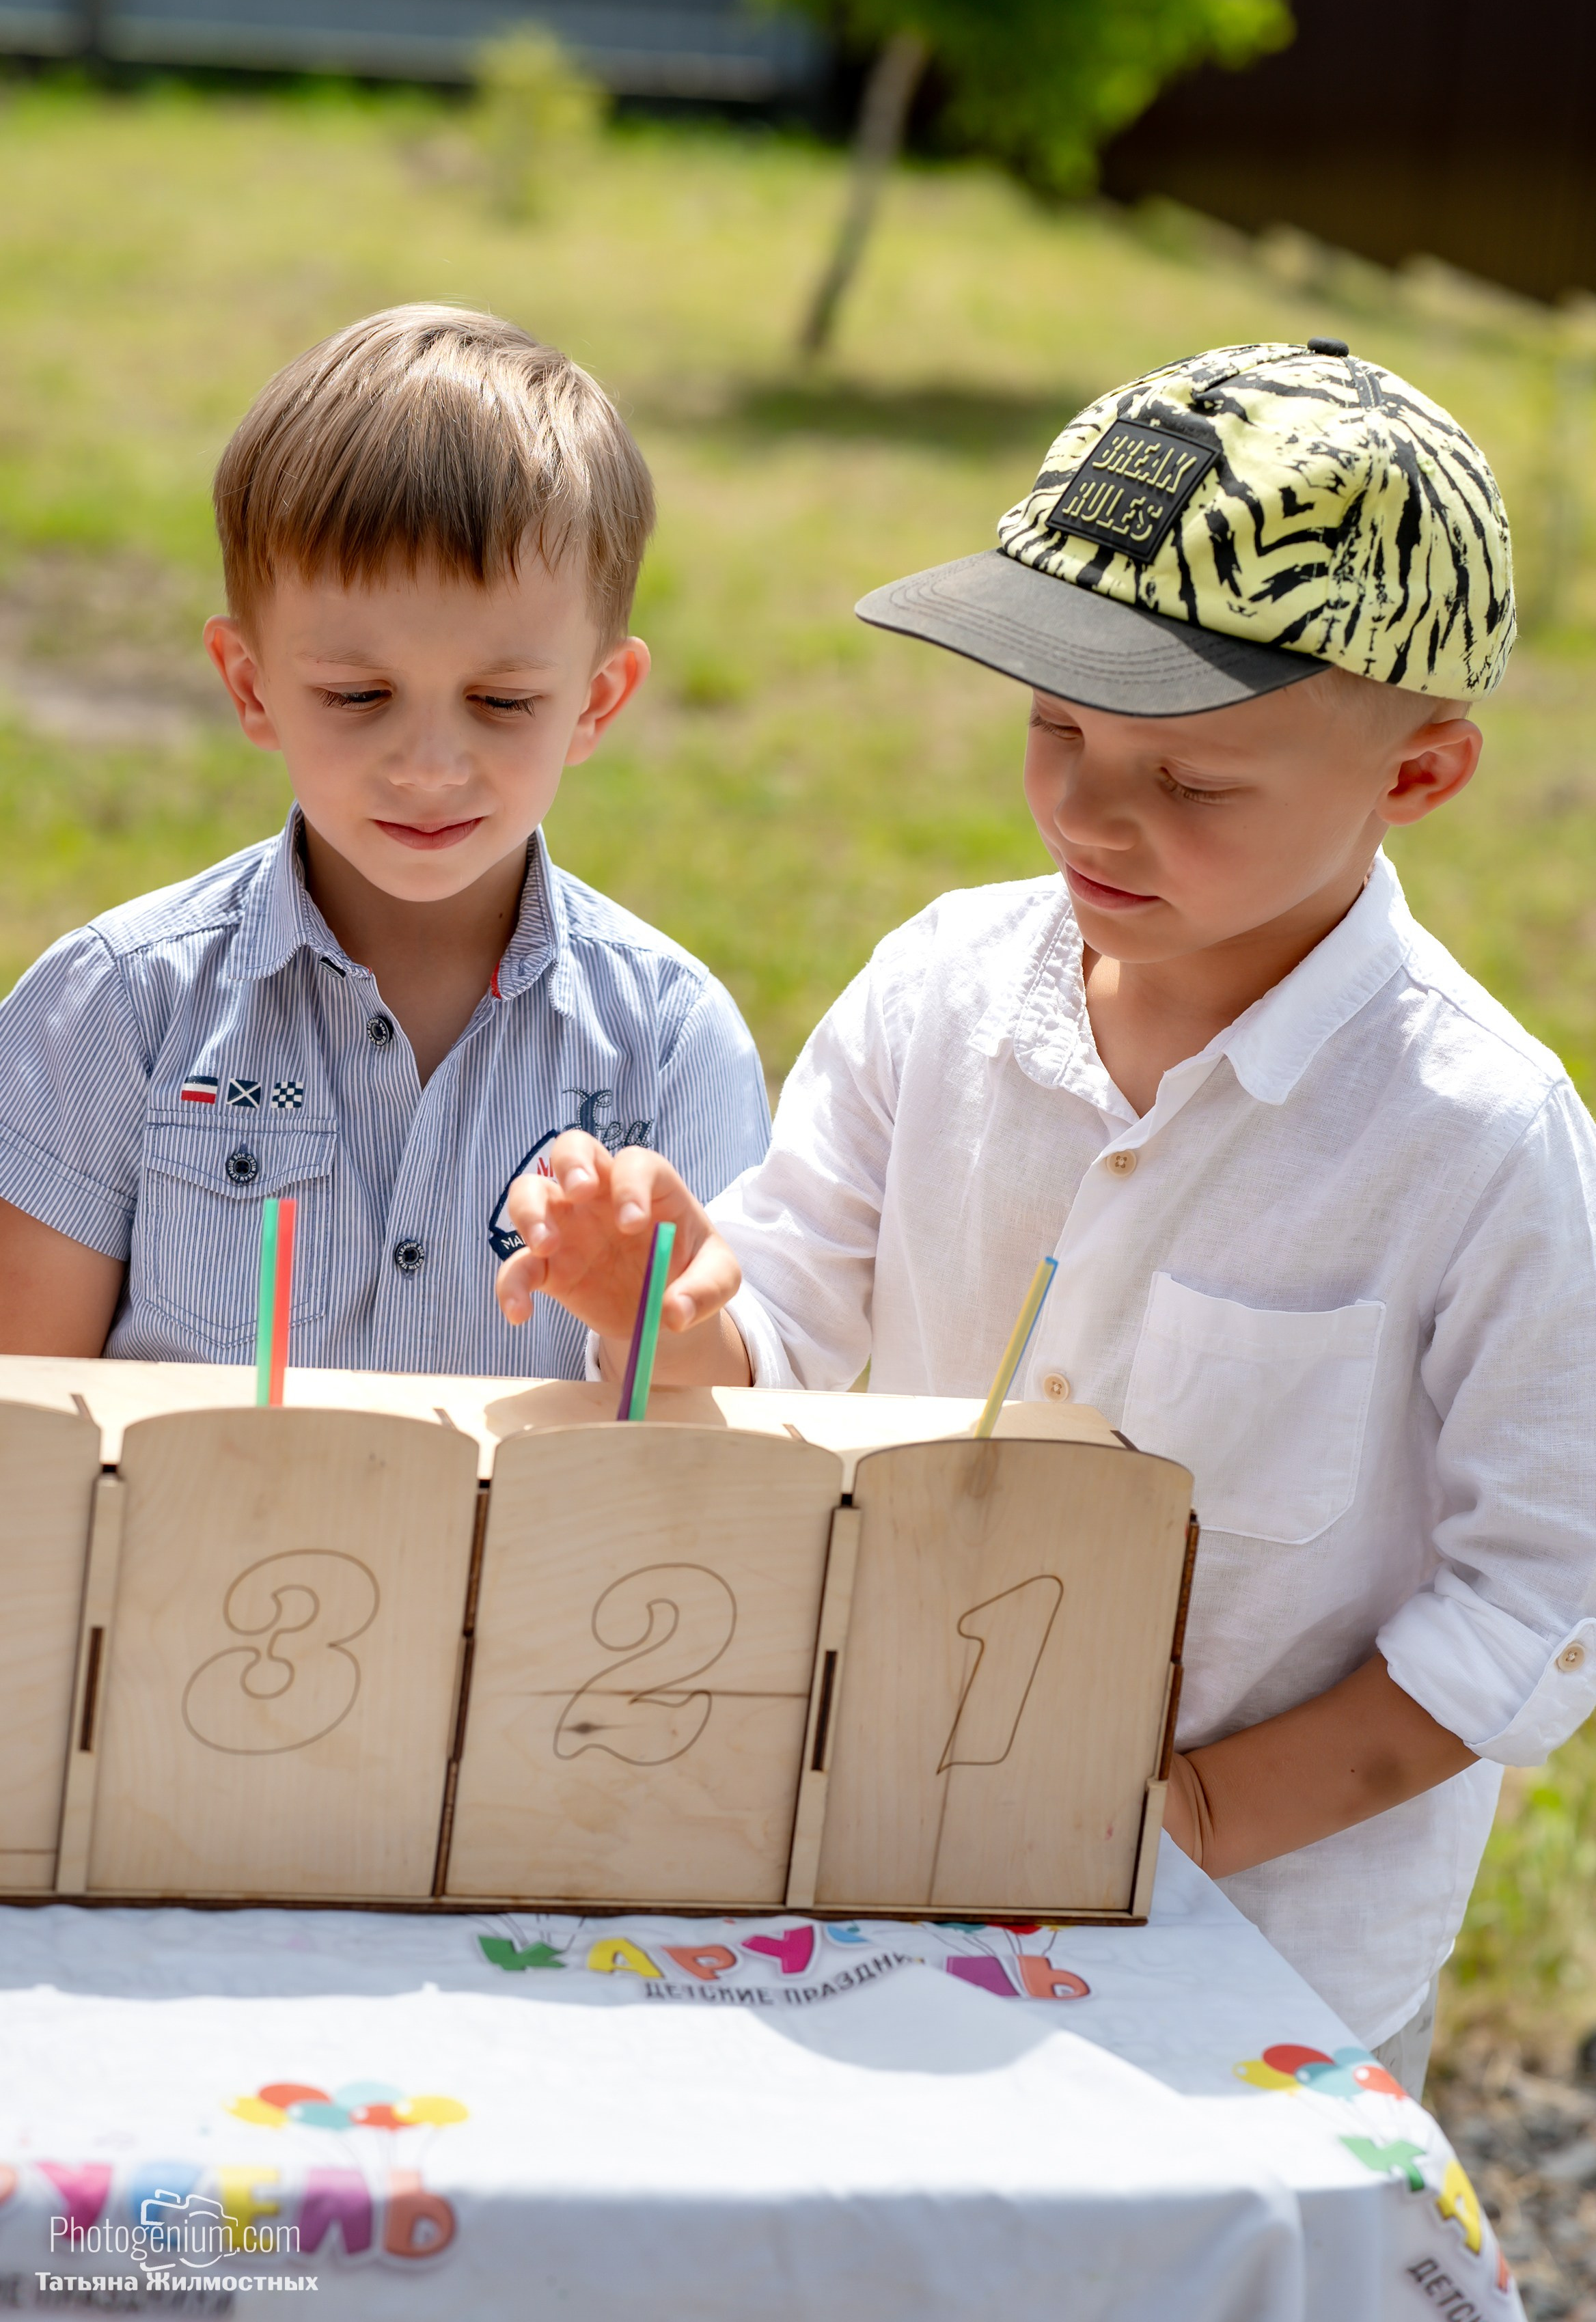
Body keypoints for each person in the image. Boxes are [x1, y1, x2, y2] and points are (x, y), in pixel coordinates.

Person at [493, 339, 1596, 2094]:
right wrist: (662, 1308)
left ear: (1419, 777)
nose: (1091, 807)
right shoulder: (936, 991)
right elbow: (787, 1340)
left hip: (1262, 1967)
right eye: (1057, 729)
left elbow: (1535, 1599)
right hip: (878, 1879)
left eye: (1195, 779)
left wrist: (1197, 1811)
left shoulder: (1474, 1137)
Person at [0, 305, 769, 1371]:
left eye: (501, 702)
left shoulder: (670, 1042)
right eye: (359, 694)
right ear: (249, 684)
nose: (428, 766)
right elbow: (26, 1440)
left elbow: (718, 1444)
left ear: (598, 700)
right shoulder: (111, 1014)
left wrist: (655, 1318)